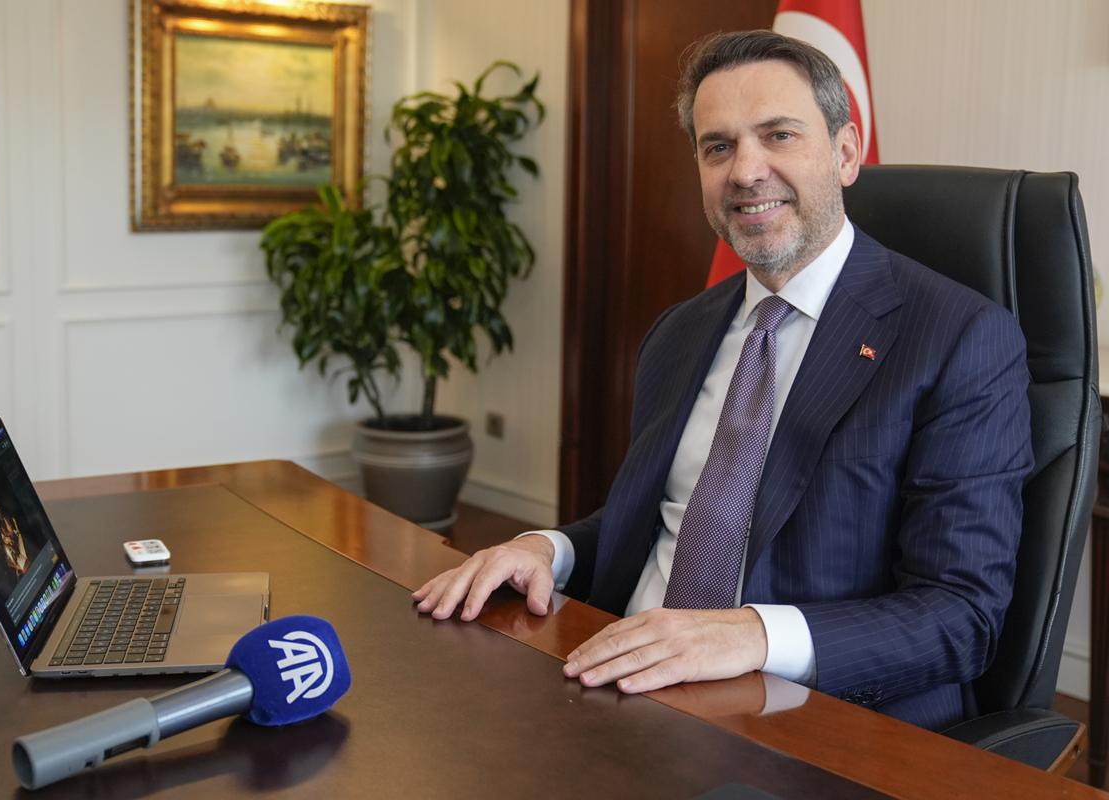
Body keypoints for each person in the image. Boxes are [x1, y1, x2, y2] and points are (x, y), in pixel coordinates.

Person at [412, 29, 1032, 731]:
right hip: (619, 689)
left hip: (812, 723)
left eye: (778, 135)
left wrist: (752, 634)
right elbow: (662, 520)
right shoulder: (679, 332)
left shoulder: (957, 338)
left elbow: (961, 615)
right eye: (718, 147)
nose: (745, 171)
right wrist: (545, 550)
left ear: (845, 153)